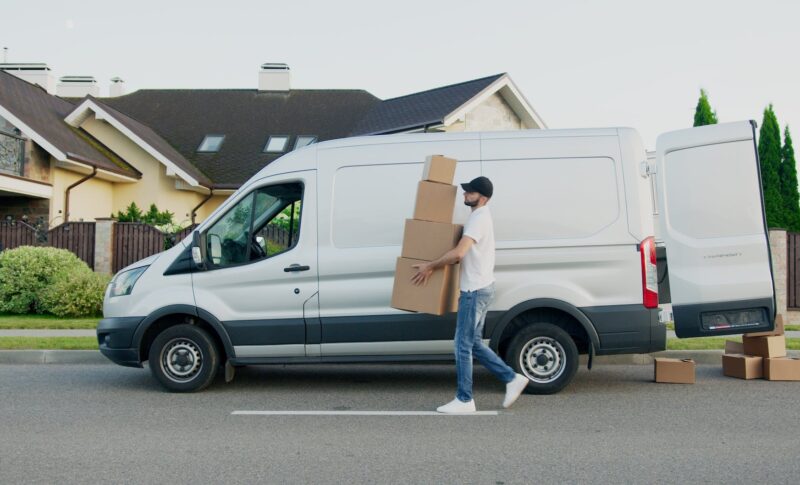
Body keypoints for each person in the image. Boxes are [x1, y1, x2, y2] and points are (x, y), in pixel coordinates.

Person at [411, 176, 529, 414]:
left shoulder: (479, 218)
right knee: (473, 343)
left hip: (474, 291)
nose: (464, 195)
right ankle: (511, 378)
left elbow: (459, 254)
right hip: (483, 287)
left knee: (462, 345)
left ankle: (465, 399)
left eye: (470, 192)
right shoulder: (480, 217)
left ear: (482, 197)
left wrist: (430, 266)